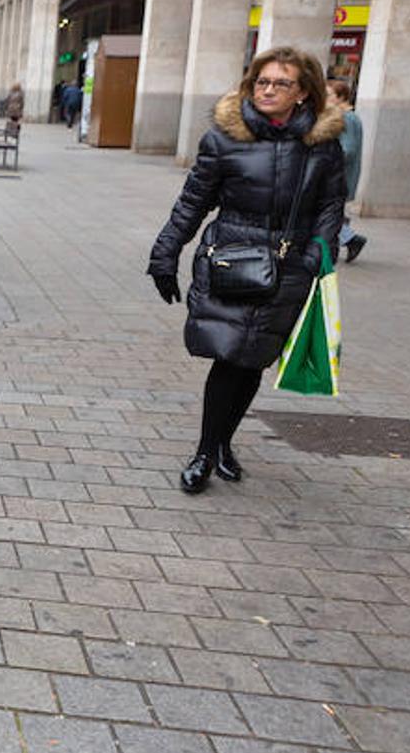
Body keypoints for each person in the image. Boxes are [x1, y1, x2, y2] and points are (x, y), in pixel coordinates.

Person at [148, 46, 347, 495]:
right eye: (262, 81)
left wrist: (319, 250)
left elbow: (332, 204)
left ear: (303, 92)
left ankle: (223, 444)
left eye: (281, 83)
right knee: (228, 356)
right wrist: (165, 253)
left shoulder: (322, 144)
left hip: (290, 265)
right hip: (232, 261)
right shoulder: (225, 137)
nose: (268, 89)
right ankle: (204, 452)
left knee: (254, 357)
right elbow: (193, 201)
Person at [327, 79, 366, 262]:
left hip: (340, 177)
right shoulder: (349, 117)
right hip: (342, 176)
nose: (325, 99)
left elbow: (347, 149)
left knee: (328, 213)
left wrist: (325, 162)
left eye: (329, 95)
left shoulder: (346, 118)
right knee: (334, 213)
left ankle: (351, 239)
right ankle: (348, 238)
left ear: (341, 97)